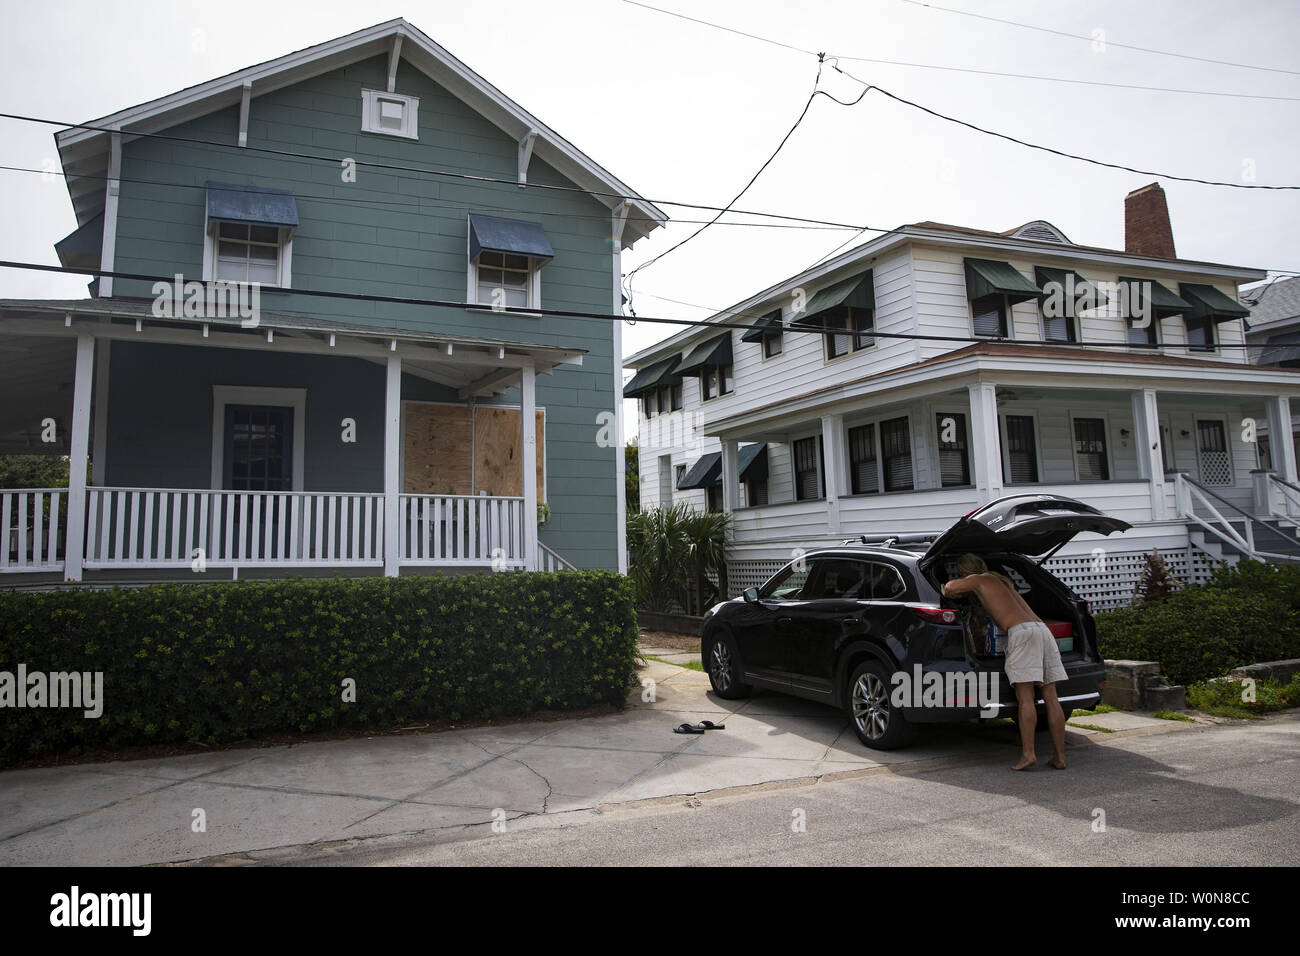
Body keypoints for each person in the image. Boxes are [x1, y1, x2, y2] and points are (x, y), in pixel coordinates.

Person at [941, 553, 1067, 771]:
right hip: (1042, 630)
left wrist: (947, 585)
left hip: (1021, 633)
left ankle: (1028, 754)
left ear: (964, 570)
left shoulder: (978, 579)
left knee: (1025, 697)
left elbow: (951, 589)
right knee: (1051, 697)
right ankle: (1059, 756)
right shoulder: (1001, 580)